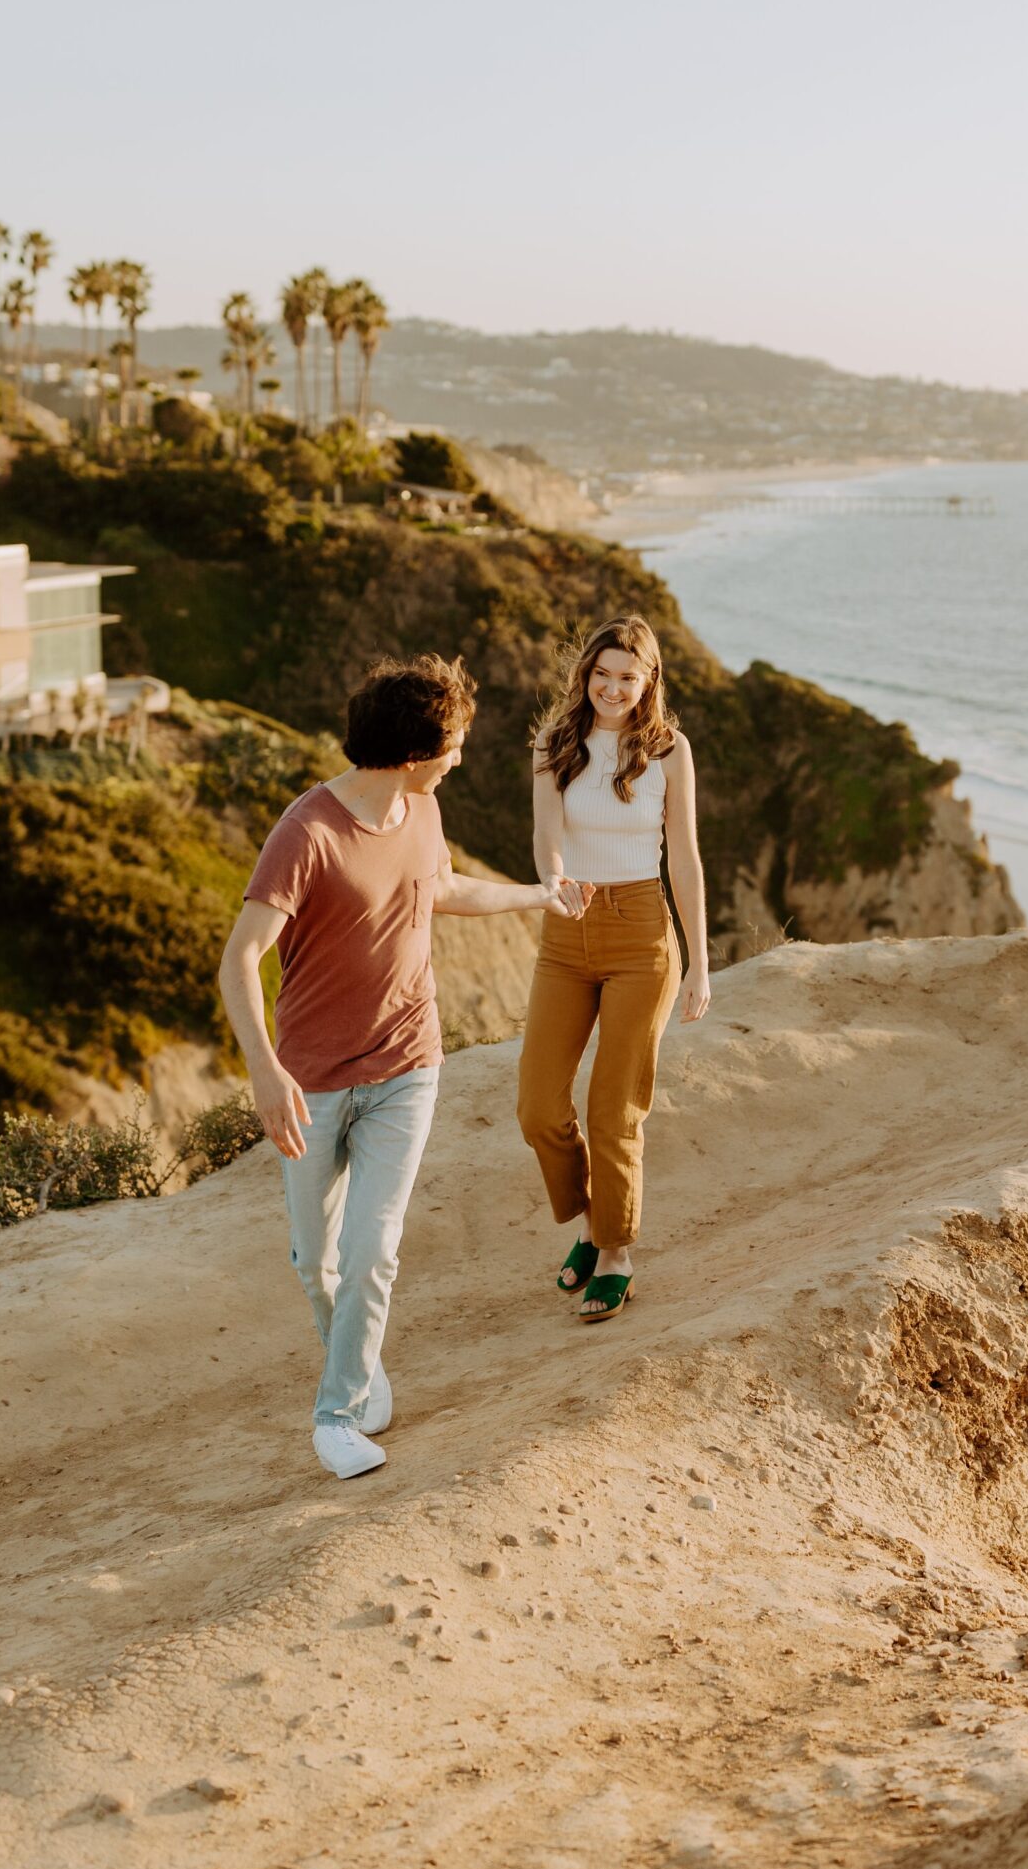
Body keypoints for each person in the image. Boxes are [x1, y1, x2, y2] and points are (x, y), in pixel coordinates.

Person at [220, 653, 578, 1479]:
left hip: (408, 1063)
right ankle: (359, 1364)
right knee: (319, 1262)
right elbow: (240, 959)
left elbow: (440, 887)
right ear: (417, 752)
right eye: (454, 744)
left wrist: (537, 894)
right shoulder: (305, 831)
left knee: (374, 1246)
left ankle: (336, 1419)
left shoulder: (419, 814)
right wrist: (265, 1072)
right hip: (310, 1080)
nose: (461, 757)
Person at [517, 616, 711, 1321]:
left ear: (648, 680)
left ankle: (615, 1253)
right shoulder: (554, 741)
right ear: (585, 674)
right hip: (566, 931)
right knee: (538, 1108)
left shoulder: (667, 751)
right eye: (602, 674)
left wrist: (699, 964)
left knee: (613, 1109)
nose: (612, 688)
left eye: (627, 677)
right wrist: (555, 880)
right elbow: (546, 835)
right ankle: (590, 1224)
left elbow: (683, 859)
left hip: (641, 936)